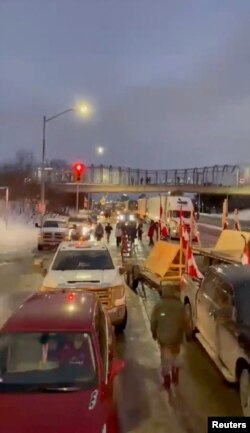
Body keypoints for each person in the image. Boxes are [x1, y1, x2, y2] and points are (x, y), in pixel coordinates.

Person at [150, 285, 186, 388]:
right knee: (176, 356)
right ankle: (175, 373)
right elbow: (186, 321)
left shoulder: (159, 305)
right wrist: (185, 334)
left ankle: (167, 380)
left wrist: (153, 333)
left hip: (164, 339)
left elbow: (153, 321)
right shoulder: (180, 306)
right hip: (176, 338)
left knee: (165, 359)